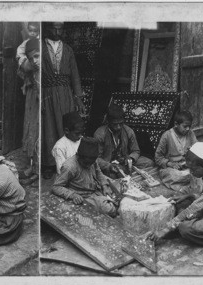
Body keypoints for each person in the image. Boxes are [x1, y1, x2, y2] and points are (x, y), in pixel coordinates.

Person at [41, 22, 85, 179]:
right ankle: (49, 163)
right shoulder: (39, 48)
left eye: (60, 28)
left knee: (65, 125)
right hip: (47, 93)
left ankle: (68, 161)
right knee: (48, 126)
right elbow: (34, 76)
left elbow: (75, 75)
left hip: (65, 93)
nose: (57, 31)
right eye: (54, 27)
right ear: (47, 27)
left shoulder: (67, 49)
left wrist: (78, 98)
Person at [51, 137, 117, 217]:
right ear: (78, 156)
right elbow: (56, 187)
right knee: (109, 209)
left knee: (118, 192)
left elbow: (98, 172)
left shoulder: (92, 160)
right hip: (83, 197)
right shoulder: (69, 167)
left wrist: (104, 185)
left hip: (95, 190)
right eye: (86, 163)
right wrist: (73, 195)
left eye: (91, 163)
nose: (89, 165)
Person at [93, 103, 154, 178]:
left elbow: (136, 151)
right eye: (115, 124)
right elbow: (95, 158)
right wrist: (108, 166)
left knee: (148, 163)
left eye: (121, 123)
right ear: (108, 122)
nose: (118, 127)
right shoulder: (100, 134)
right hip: (109, 164)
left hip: (124, 162)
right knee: (113, 175)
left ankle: (126, 173)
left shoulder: (128, 131)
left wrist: (130, 158)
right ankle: (125, 174)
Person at [155, 110, 200, 193]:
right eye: (185, 126)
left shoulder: (190, 133)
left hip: (187, 165)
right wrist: (170, 164)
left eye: (189, 126)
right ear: (176, 124)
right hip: (171, 168)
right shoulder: (167, 136)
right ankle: (186, 184)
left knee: (199, 170)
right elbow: (158, 158)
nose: (188, 129)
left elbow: (197, 148)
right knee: (174, 175)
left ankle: (188, 181)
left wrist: (192, 151)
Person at [18, 38, 41, 186]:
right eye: (32, 58)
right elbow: (23, 62)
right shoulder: (27, 46)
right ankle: (32, 166)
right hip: (34, 98)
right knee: (32, 129)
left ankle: (39, 170)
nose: (35, 60)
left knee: (40, 133)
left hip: (45, 100)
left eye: (37, 56)